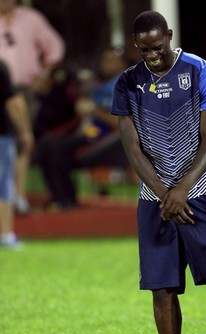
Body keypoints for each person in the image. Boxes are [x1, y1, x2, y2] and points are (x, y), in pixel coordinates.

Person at [111, 10, 206, 334]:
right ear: (136, 45)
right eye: (145, 50)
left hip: (200, 195)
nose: (153, 56)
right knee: (161, 288)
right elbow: (132, 149)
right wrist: (165, 195)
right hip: (155, 200)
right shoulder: (127, 83)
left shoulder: (200, 71)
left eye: (159, 47)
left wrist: (181, 190)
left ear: (169, 35)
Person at [34, 46, 129, 209]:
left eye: (113, 61)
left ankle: (66, 201)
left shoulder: (125, 85)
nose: (107, 64)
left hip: (104, 137)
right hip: (87, 132)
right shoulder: (98, 84)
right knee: (45, 145)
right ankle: (59, 197)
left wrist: (93, 109)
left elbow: (121, 122)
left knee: (58, 149)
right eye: (106, 60)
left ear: (123, 64)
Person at [0, 0, 65, 213]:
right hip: (1, 88)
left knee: (21, 140)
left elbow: (55, 47)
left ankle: (17, 196)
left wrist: (44, 75)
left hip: (23, 89)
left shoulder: (30, 18)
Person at [0, 60, 33, 248]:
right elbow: (13, 102)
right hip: (2, 134)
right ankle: (5, 234)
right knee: (4, 183)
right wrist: (24, 131)